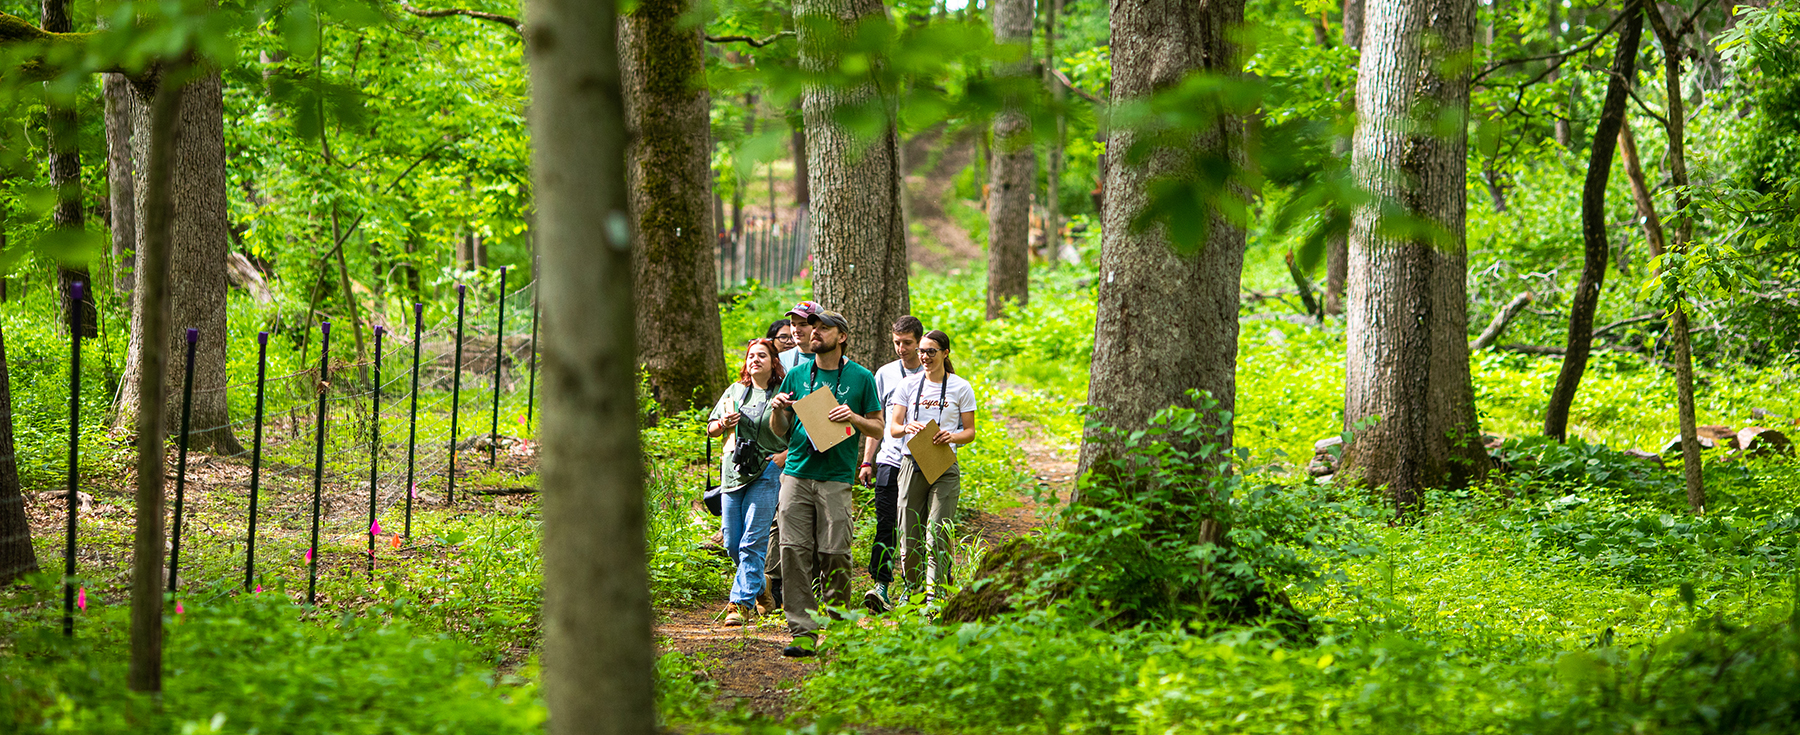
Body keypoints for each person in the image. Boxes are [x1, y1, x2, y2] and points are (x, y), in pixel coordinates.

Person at [768, 309, 883, 657]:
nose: (813, 333)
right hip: (797, 473)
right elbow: (780, 432)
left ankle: (840, 627)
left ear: (842, 336)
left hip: (835, 477)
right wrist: (777, 410)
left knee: (835, 553)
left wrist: (854, 418)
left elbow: (878, 428)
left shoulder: (861, 378)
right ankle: (802, 631)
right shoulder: (799, 374)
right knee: (793, 550)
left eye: (822, 328)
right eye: (811, 327)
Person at [888, 329, 978, 604]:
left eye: (931, 351)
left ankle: (935, 595)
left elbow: (970, 431)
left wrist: (951, 435)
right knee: (909, 531)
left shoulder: (960, 387)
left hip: (943, 465)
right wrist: (907, 427)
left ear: (945, 353)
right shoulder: (907, 386)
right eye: (921, 351)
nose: (924, 357)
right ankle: (912, 592)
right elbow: (893, 428)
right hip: (912, 462)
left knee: (938, 529)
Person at [705, 339, 789, 626]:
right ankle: (762, 584)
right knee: (731, 542)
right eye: (751, 355)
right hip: (733, 473)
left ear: (773, 361)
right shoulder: (735, 391)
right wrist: (724, 423)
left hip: (766, 471)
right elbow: (711, 428)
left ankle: (739, 604)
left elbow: (802, 433)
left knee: (752, 540)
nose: (755, 360)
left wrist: (783, 456)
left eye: (762, 355)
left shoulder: (783, 393)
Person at [858, 315, 926, 613]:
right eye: (897, 342)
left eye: (907, 343)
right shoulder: (884, 374)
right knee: (886, 525)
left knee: (916, 526)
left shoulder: (935, 373)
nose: (901, 348)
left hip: (923, 461)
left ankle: (915, 588)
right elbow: (877, 421)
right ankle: (881, 586)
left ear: (920, 342)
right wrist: (867, 461)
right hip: (889, 459)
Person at [779, 301, 821, 372]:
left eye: (803, 324)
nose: (796, 330)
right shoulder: (781, 360)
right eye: (793, 324)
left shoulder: (835, 360)